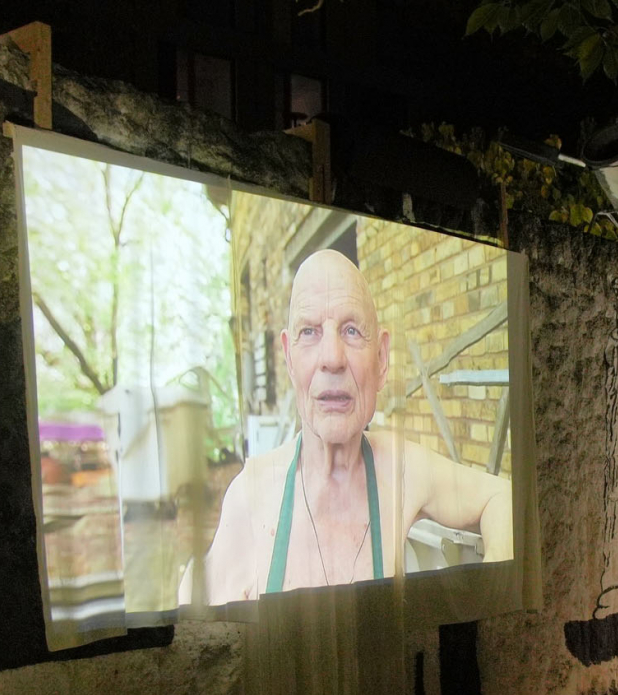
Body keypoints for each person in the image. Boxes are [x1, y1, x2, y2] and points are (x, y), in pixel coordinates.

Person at [201, 249, 513, 605]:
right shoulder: (251, 497)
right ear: (289, 358)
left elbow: (502, 497)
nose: (332, 358)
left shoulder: (400, 468)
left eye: (351, 331)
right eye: (310, 331)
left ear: (381, 358)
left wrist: (496, 588)